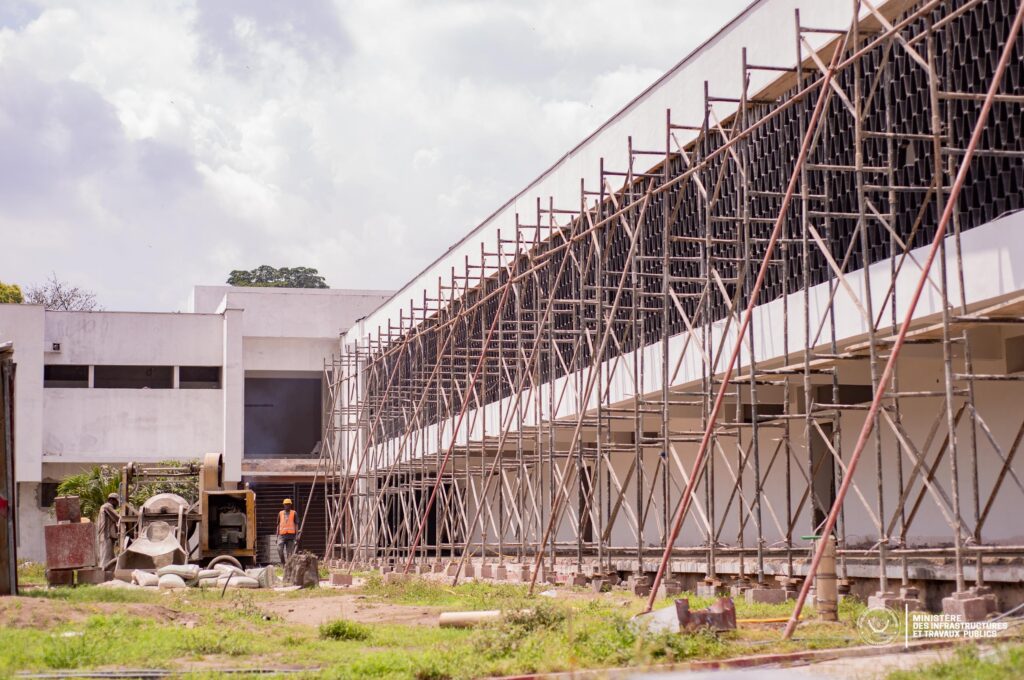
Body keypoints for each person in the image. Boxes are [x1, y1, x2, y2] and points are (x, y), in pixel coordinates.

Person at [96, 492, 120, 570]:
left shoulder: (106, 507)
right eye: (116, 501)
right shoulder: (107, 506)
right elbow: (118, 517)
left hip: (107, 536)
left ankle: (108, 572)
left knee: (109, 556)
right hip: (105, 535)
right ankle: (102, 572)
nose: (117, 504)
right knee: (105, 556)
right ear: (112, 500)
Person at [277, 498, 298, 564]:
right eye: (286, 504)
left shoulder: (294, 513)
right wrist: (277, 537)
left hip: (291, 537)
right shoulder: (280, 513)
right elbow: (278, 525)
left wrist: (296, 536)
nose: (287, 506)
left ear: (290, 505)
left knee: (289, 554)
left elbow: (296, 524)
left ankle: (288, 566)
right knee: (279, 550)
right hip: (281, 536)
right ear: (284, 505)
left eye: (288, 504)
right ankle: (283, 564)